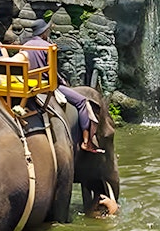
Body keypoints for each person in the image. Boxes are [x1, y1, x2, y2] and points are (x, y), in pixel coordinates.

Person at [23, 17, 104, 154]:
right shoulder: (48, 47)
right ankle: (86, 141)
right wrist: (62, 82)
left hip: (28, 84)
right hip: (46, 85)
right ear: (44, 32)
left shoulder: (24, 45)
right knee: (82, 102)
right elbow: (51, 71)